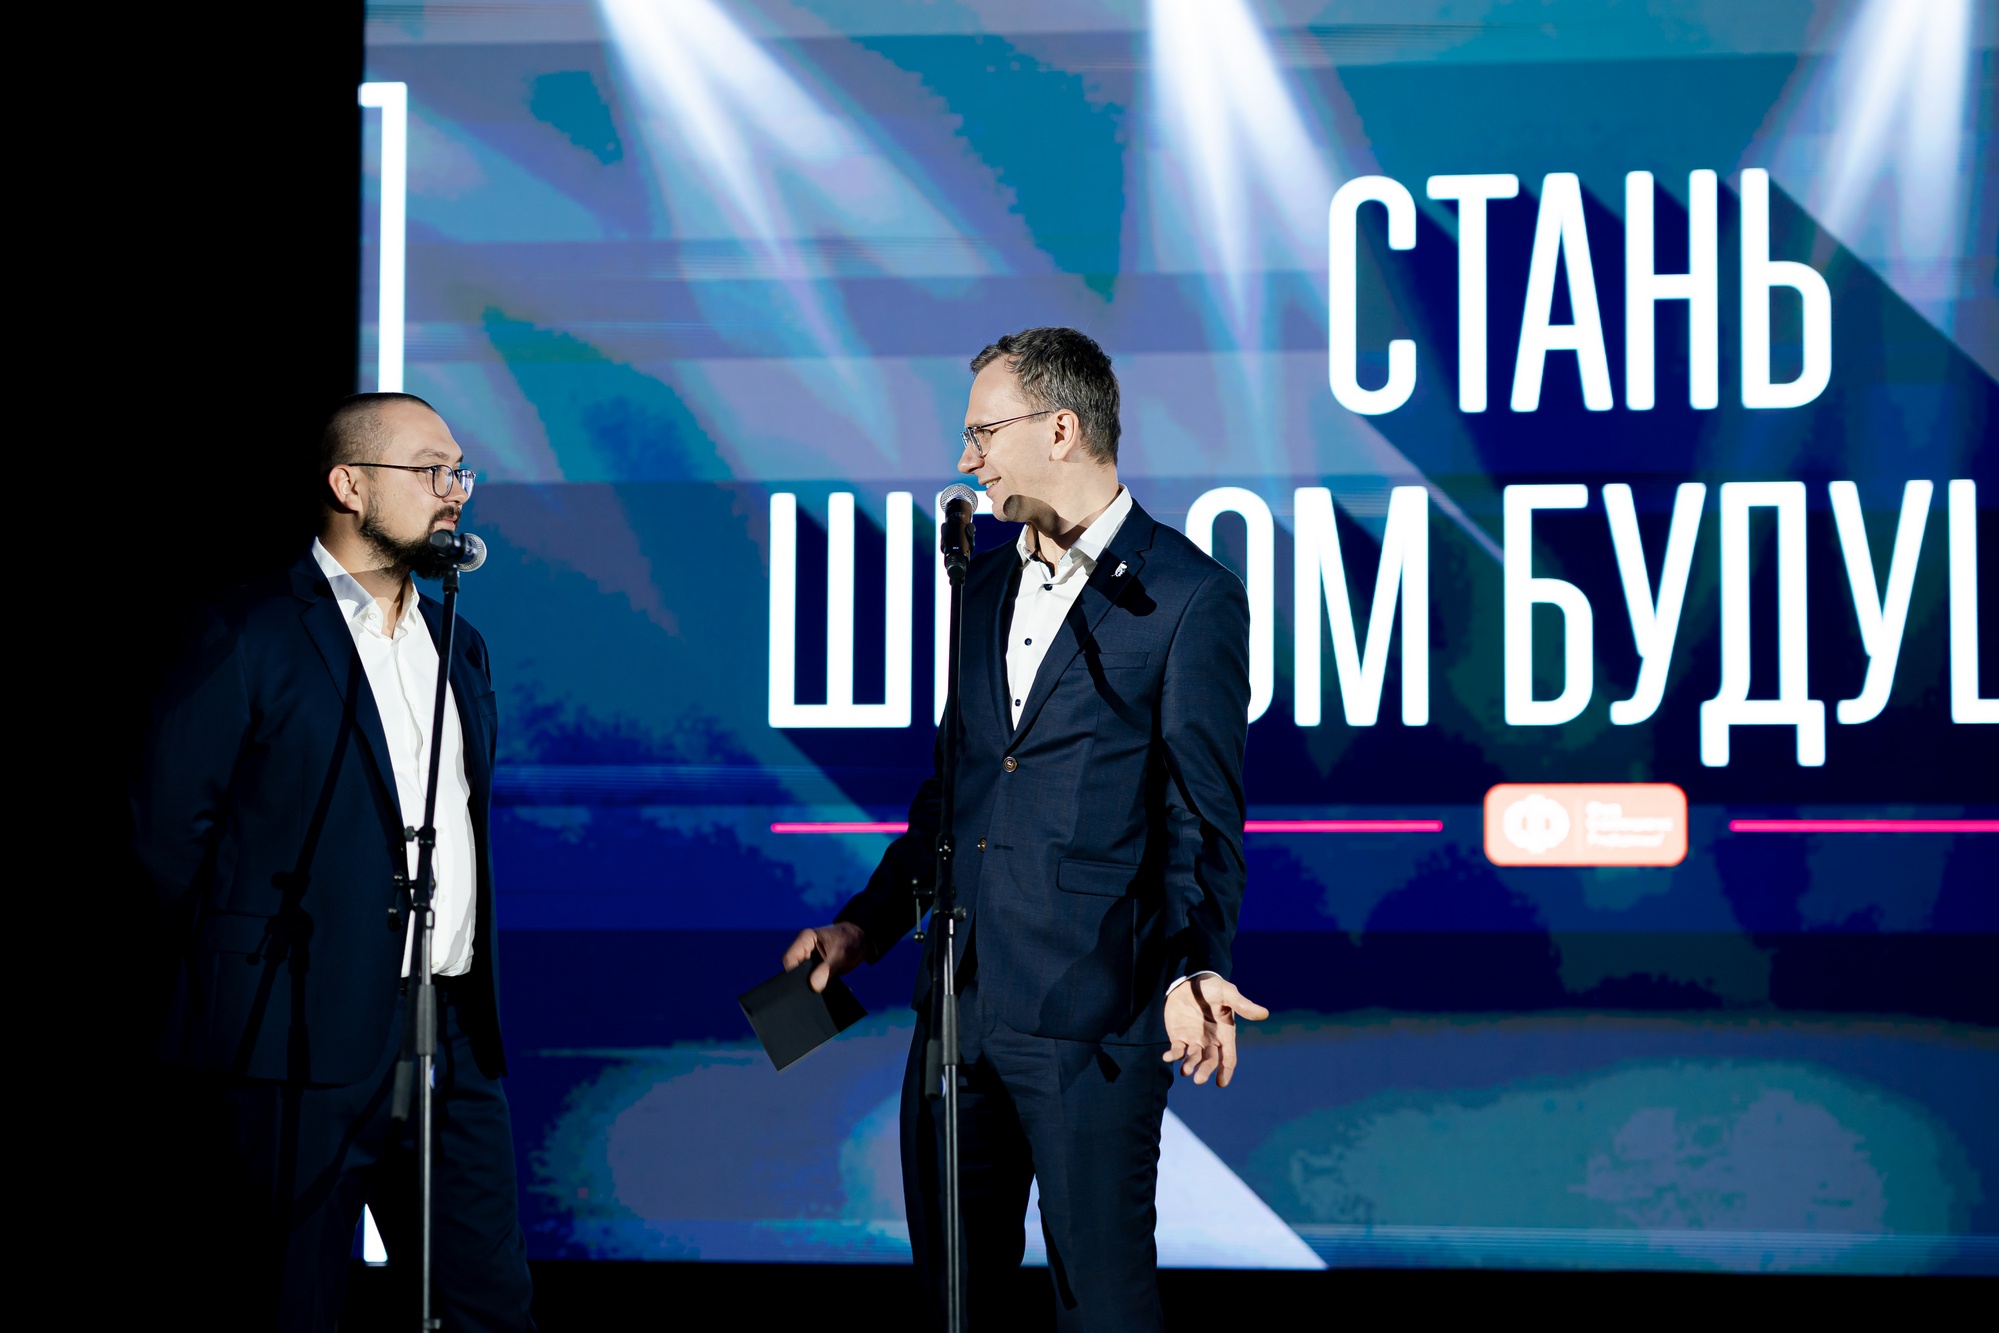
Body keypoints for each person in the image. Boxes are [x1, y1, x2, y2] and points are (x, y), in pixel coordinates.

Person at [784, 328, 1266, 1330]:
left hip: (1094, 1015)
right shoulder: (981, 583)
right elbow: (953, 794)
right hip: (956, 1010)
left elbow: (1202, 817)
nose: (967, 458)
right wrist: (864, 927)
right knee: (956, 1303)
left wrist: (1191, 967)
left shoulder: (1187, 596)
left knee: (1104, 1305)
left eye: (982, 432)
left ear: (1060, 428)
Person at [133, 393, 534, 1330]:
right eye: (431, 471)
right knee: (292, 1303)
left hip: (447, 1031)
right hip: (293, 1031)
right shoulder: (249, 630)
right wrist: (242, 979)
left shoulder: (457, 643)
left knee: (488, 1304)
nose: (455, 491)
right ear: (349, 485)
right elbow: (163, 836)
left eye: (460, 472)